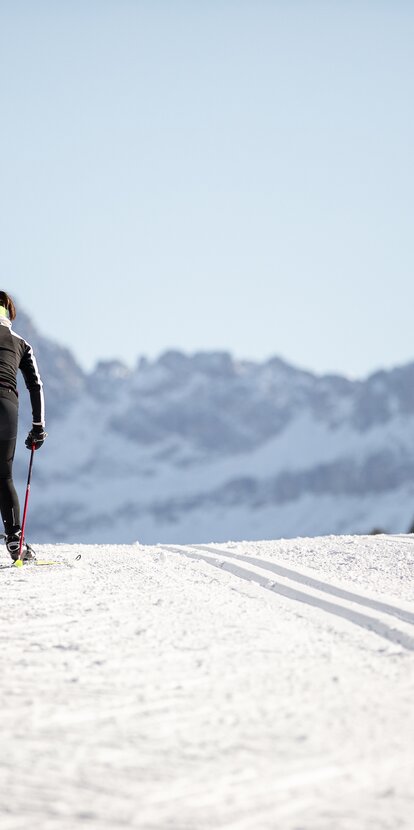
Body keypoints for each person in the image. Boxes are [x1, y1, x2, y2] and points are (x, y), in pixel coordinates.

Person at [0, 291, 46, 561]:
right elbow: (35, 385)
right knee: (3, 476)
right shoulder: (21, 343)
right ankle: (16, 542)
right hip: (6, 404)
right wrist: (38, 427)